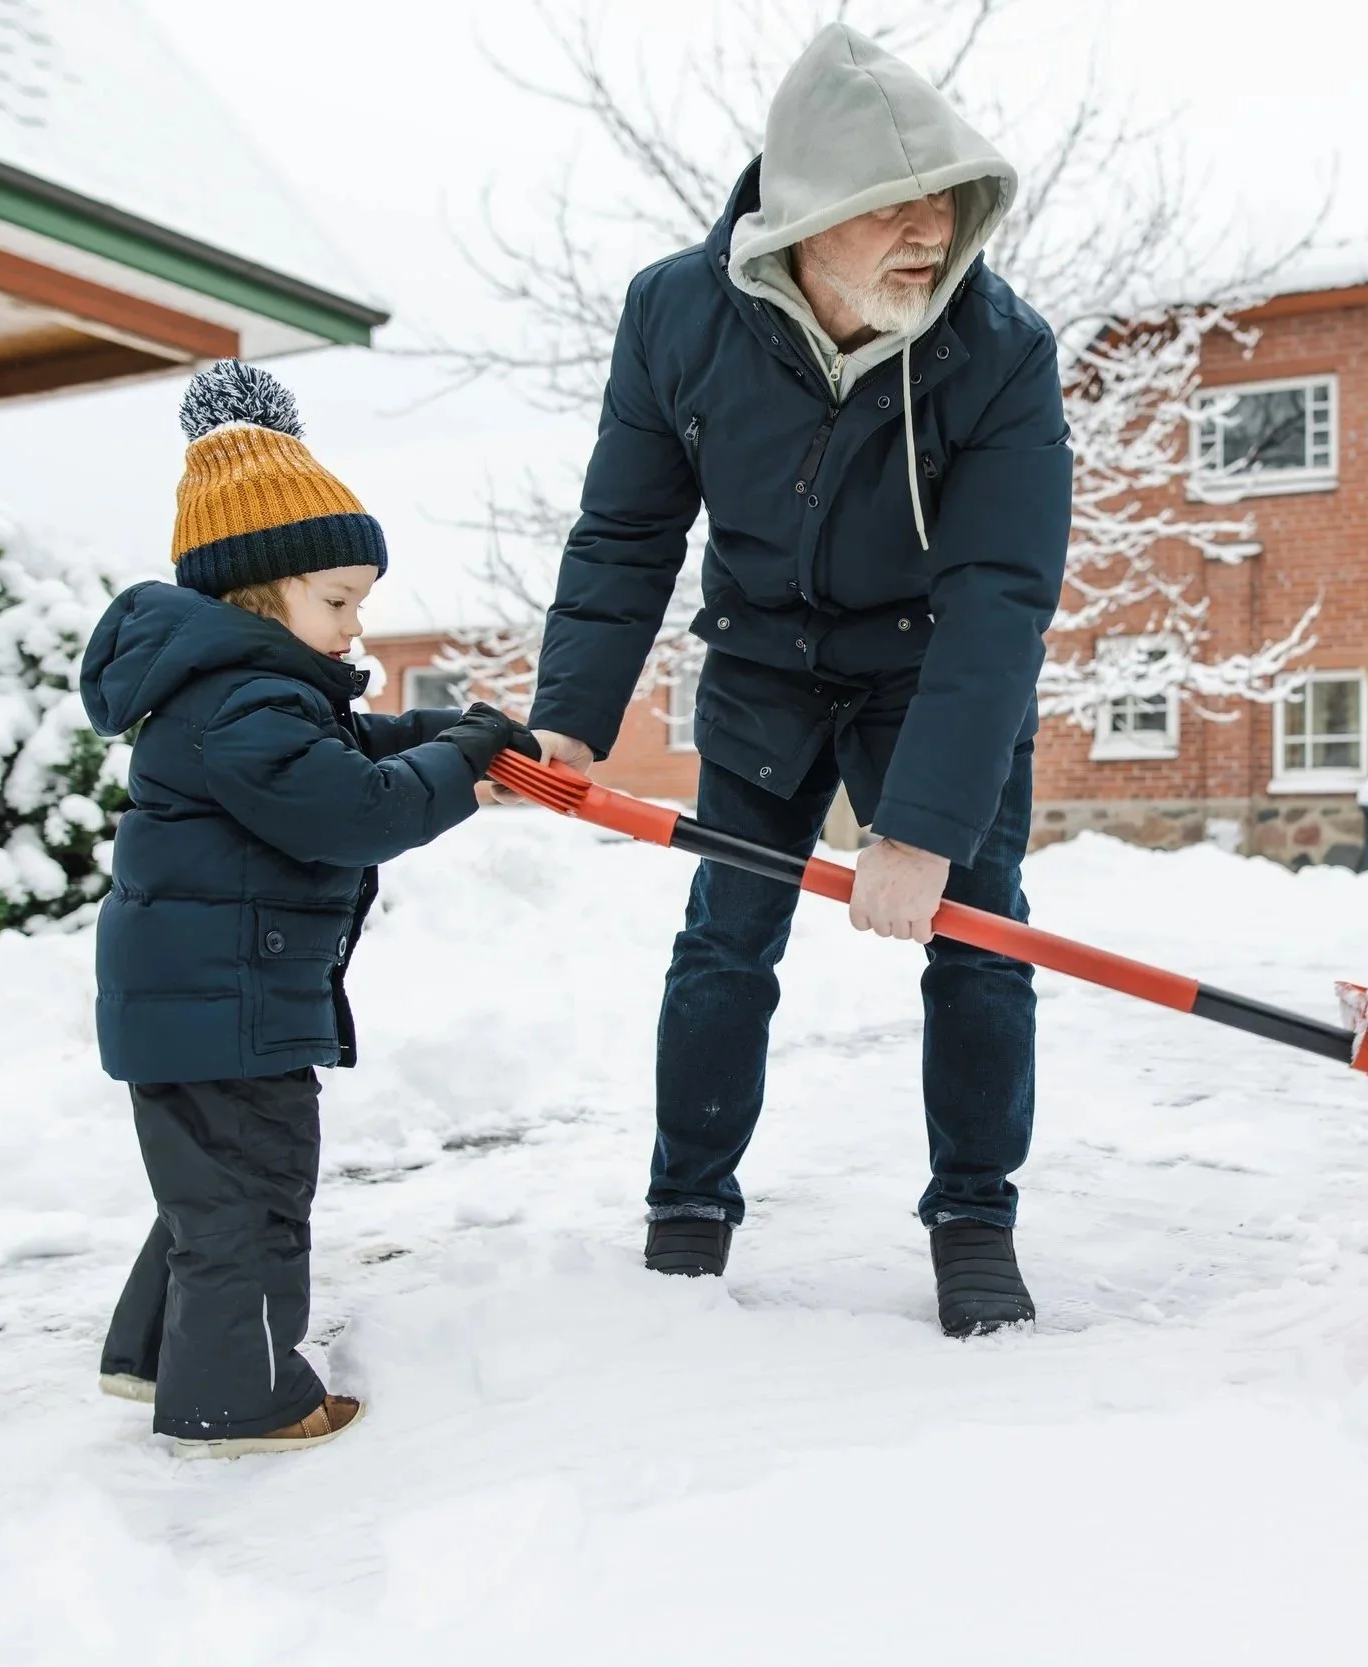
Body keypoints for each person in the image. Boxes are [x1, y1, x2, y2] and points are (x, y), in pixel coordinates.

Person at [527, 25, 1072, 1335]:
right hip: (767, 661)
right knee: (725, 934)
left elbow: (999, 599)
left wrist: (924, 828)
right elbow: (629, 528)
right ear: (812, 216)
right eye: (898, 204)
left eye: (946, 199)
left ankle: (974, 1215)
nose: (932, 231)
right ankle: (688, 1204)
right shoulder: (678, 316)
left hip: (932, 669)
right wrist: (569, 714)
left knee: (980, 938)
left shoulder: (999, 348)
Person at [80, 361, 537, 1456]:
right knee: (251, 1199)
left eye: (360, 603)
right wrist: (459, 760)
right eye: (336, 602)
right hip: (227, 1010)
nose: (354, 627)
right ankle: (241, 1400)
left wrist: (446, 738)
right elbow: (351, 809)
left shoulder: (236, 691)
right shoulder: (246, 701)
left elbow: (347, 751)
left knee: (210, 1196)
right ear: (255, 595)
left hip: (205, 1003)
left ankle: (156, 1359)